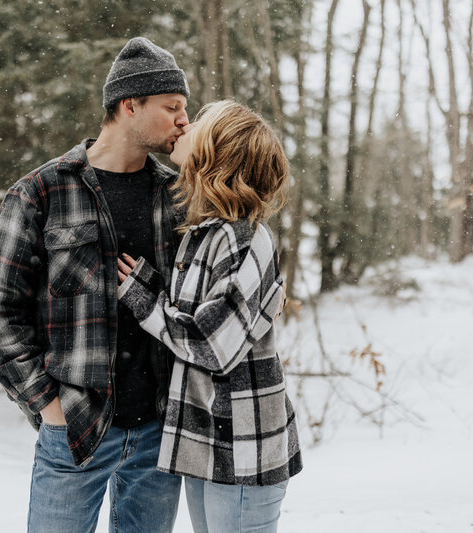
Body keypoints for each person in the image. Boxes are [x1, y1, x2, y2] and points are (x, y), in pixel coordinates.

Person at [0, 37, 189, 532]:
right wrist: (47, 404)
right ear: (129, 105)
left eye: (185, 108)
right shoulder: (41, 192)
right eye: (172, 107)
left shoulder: (175, 196)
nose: (183, 120)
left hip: (160, 432)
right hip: (77, 427)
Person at [117, 100, 303, 533]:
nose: (185, 124)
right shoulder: (205, 232)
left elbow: (209, 346)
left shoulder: (243, 238)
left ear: (218, 152)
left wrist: (144, 301)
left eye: (199, 122)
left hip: (242, 449)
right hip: (207, 443)